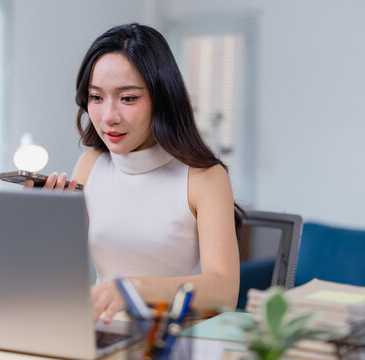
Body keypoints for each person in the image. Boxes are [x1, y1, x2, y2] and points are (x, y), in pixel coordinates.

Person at [26, 23, 242, 323]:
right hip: (100, 332)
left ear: (162, 99)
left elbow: (224, 291)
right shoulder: (90, 165)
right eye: (96, 98)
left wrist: (133, 289)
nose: (109, 117)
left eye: (128, 98)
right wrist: (48, 224)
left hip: (171, 342)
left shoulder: (204, 177)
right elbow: (58, 276)